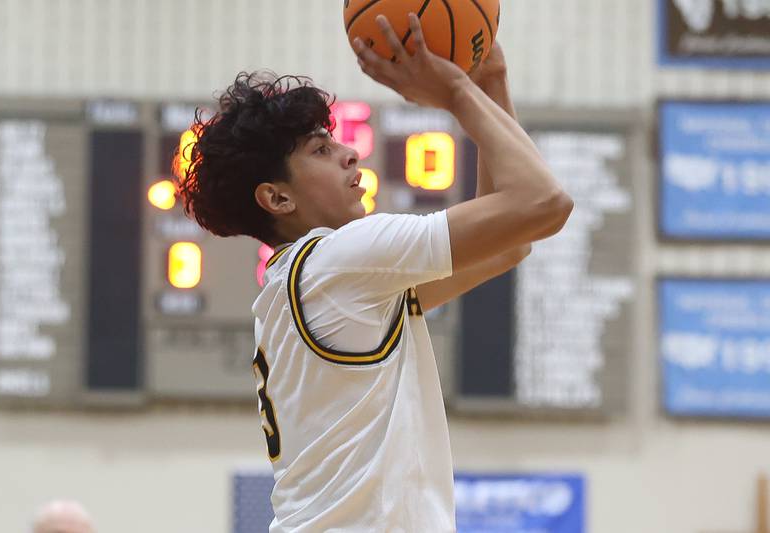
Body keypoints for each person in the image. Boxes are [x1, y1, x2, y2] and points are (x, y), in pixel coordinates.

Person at [178, 13, 573, 532]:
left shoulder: (316, 282)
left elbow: (510, 244)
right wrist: (455, 90)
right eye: (321, 150)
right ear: (277, 197)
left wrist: (490, 80)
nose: (349, 153)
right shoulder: (341, 261)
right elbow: (545, 203)